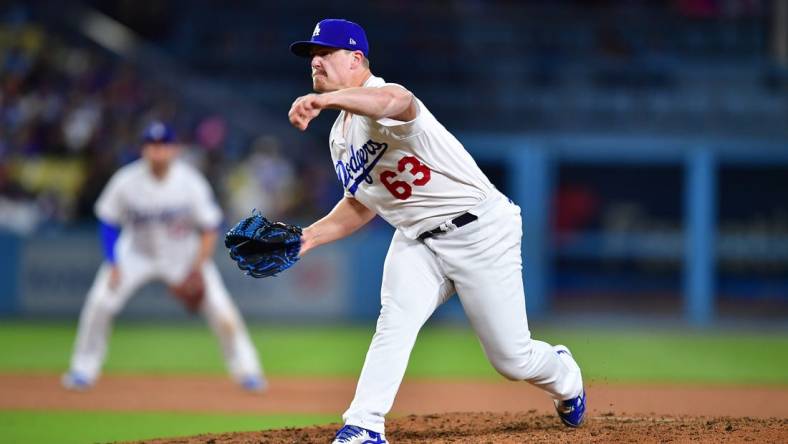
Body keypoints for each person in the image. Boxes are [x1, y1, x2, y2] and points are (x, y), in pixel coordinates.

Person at [287, 19, 586, 444]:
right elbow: (363, 203)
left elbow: (398, 100)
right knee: (395, 320)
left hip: (480, 231)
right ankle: (365, 424)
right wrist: (308, 237)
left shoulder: (382, 99)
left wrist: (330, 99)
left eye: (325, 53)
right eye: (310, 56)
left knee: (511, 360)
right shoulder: (340, 136)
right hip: (416, 240)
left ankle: (565, 374)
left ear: (356, 59)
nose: (315, 61)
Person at [62, 121, 265, 392]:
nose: (157, 151)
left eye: (163, 145)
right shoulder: (126, 180)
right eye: (151, 145)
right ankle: (82, 370)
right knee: (100, 303)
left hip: (184, 255)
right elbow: (109, 222)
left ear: (174, 149)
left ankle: (248, 371)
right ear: (143, 149)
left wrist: (198, 267)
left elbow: (209, 227)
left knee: (221, 310)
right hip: (134, 253)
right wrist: (113, 261)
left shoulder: (190, 182)